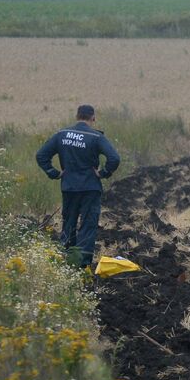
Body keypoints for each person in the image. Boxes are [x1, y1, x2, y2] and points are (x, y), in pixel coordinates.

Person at [35, 104, 121, 268]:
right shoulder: (96, 137)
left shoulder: (61, 134)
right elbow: (114, 158)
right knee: (88, 224)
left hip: (69, 187)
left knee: (69, 223)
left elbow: (41, 155)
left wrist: (54, 173)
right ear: (93, 118)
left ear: (77, 116)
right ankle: (82, 264)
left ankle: (66, 260)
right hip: (90, 187)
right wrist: (103, 173)